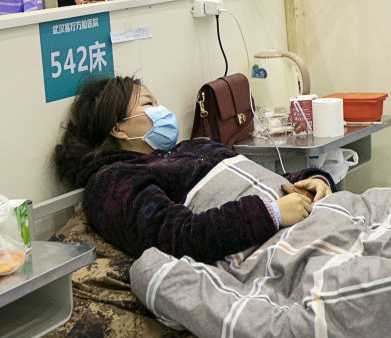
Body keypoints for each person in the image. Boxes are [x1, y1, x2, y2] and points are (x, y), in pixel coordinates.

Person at [53, 76, 335, 263]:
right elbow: (175, 236)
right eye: (149, 104)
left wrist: (313, 180)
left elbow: (263, 181)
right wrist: (269, 213)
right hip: (277, 244)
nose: (163, 111)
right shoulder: (114, 180)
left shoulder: (194, 147)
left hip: (314, 216)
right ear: (118, 128)